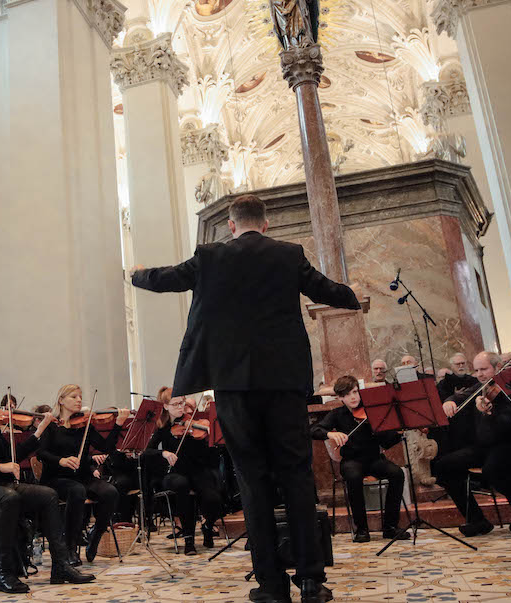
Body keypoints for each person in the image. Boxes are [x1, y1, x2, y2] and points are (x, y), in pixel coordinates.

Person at [131, 193, 361, 603]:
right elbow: (325, 289)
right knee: (296, 476)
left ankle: (271, 586)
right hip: (284, 383)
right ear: (266, 224)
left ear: (232, 226)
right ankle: (310, 580)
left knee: (252, 480)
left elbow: (167, 278)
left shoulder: (209, 255)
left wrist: (137, 274)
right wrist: (352, 295)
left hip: (234, 385)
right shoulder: (289, 254)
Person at [0, 372, 94, 593]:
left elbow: (11, 455)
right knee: (9, 498)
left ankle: (61, 566)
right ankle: (4, 573)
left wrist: (39, 431)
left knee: (48, 494)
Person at [433, 352, 511, 537]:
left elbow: (507, 425)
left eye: (484, 369)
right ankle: (477, 519)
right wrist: (448, 401)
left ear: (497, 368)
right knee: (443, 466)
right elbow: (460, 396)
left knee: (492, 469)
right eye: (477, 369)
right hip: (485, 446)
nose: (479, 374)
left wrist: (489, 412)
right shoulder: (479, 387)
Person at [37, 384, 130, 563]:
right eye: (74, 397)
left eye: (80, 397)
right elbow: (41, 453)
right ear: (61, 400)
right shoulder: (52, 425)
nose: (79, 400)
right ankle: (70, 547)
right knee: (77, 490)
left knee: (110, 492)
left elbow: (105, 447)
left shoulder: (83, 426)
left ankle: (95, 536)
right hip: (56, 478)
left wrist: (118, 424)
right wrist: (61, 460)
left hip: (81, 476)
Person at [310, 376, 405, 543]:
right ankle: (361, 528)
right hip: (351, 461)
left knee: (397, 473)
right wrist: (330, 433)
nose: (353, 397)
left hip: (374, 459)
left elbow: (386, 442)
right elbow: (314, 429)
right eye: (347, 395)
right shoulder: (337, 414)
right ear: (340, 398)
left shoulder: (372, 412)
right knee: (353, 477)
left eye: (355, 392)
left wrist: (398, 433)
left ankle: (390, 527)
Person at [144, 387, 225, 554]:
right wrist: (164, 453)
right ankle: (189, 539)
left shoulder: (193, 423)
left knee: (214, 498)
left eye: (182, 402)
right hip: (173, 472)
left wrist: (209, 436)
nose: (181, 407)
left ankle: (208, 526)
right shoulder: (162, 427)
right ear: (165, 406)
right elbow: (146, 451)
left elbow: (209, 454)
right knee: (182, 487)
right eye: (176, 404)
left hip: (196, 469)